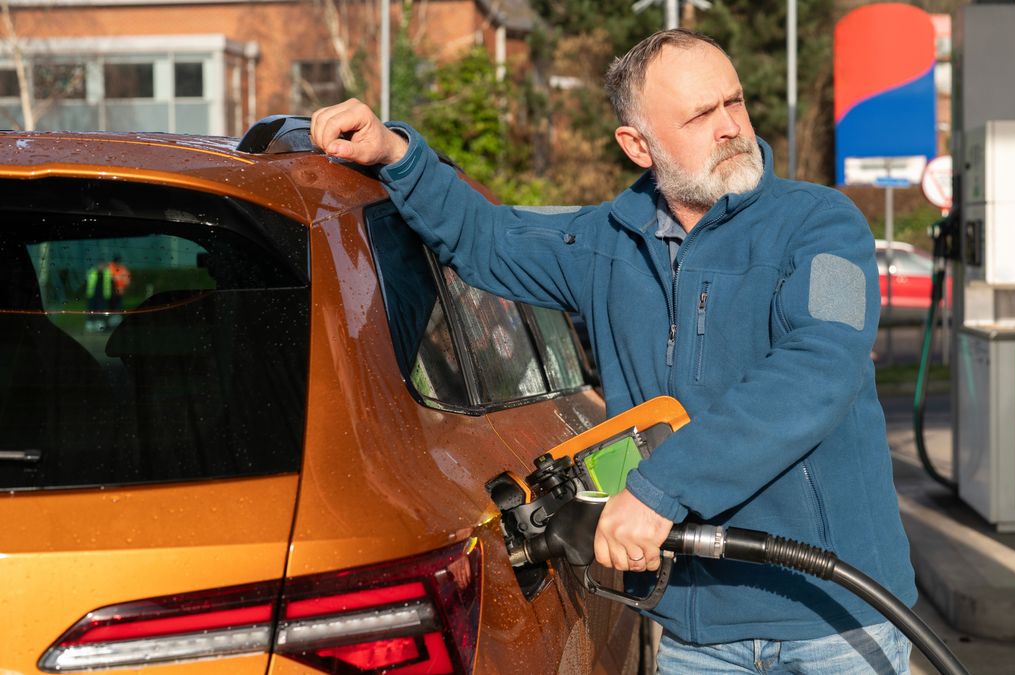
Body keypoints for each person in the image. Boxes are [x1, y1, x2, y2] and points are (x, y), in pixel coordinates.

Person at [311, 29, 915, 674]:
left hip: (831, 617)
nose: (731, 128)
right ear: (637, 146)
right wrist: (398, 155)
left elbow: (820, 365)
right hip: (697, 631)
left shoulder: (823, 223)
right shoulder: (604, 242)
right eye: (699, 115)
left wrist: (660, 490)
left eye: (733, 102)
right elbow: (487, 237)